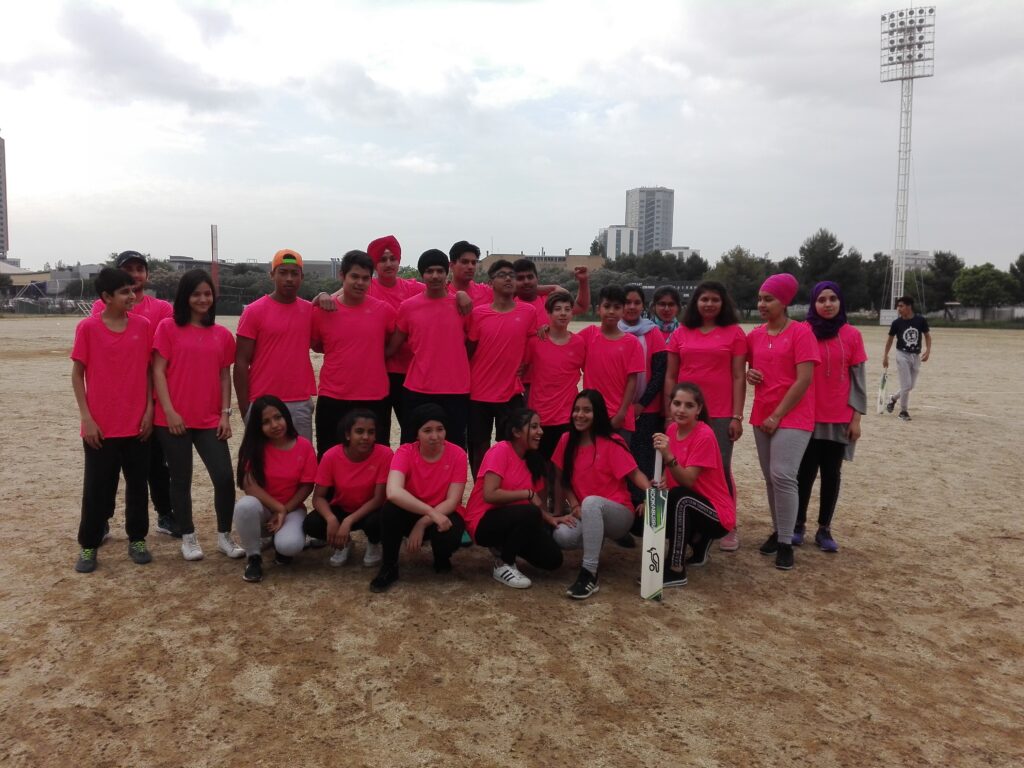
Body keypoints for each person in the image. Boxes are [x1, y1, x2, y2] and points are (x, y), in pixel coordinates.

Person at [152, 269, 243, 562]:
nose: (203, 299)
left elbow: (224, 376)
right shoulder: (167, 327)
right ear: (185, 297)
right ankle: (188, 537)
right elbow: (158, 371)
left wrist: (225, 414)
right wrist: (169, 411)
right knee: (181, 479)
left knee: (224, 477)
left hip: (209, 419)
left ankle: (224, 536)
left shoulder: (222, 335)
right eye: (196, 294)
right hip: (173, 420)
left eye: (207, 294)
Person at [72, 267, 154, 572]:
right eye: (124, 292)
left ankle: (138, 539)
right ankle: (89, 544)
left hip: (137, 426)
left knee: (138, 487)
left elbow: (149, 371)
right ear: (106, 297)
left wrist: (149, 410)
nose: (132, 296)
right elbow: (77, 375)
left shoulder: (143, 326)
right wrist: (87, 419)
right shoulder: (88, 328)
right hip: (101, 428)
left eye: (132, 290)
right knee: (97, 489)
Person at [92, 250, 176, 538]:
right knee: (109, 467)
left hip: (153, 397)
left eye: (140, 269)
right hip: (119, 400)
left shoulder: (161, 309)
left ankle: (165, 514)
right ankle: (102, 518)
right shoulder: (100, 307)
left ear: (147, 275)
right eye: (128, 269)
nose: (135, 274)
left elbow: (163, 351)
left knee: (156, 464)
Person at [664, 280, 747, 552]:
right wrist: (669, 412)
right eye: (704, 299)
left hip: (720, 412)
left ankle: (727, 524)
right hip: (685, 411)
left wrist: (737, 416)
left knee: (720, 468)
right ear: (695, 302)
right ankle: (695, 520)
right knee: (685, 467)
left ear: (723, 303)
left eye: (715, 299)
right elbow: (671, 376)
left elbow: (739, 376)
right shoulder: (680, 332)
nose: (709, 304)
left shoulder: (734, 333)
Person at [745, 273, 820, 571]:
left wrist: (778, 415)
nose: (762, 304)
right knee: (770, 477)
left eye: (769, 299)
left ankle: (787, 542)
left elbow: (804, 379)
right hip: (762, 413)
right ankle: (778, 531)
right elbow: (749, 367)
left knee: (783, 475)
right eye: (760, 299)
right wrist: (751, 374)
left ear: (785, 301)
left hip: (793, 415)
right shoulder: (755, 335)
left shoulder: (801, 333)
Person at [551, 390, 651, 599]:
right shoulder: (566, 440)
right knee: (562, 536)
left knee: (591, 503)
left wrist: (651, 494)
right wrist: (574, 505)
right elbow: (562, 480)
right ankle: (595, 541)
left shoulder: (612, 441)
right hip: (586, 512)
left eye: (587, 410)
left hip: (619, 514)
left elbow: (635, 474)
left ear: (598, 413)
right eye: (577, 410)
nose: (580, 415)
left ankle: (589, 573)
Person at [795, 282, 867, 553]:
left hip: (839, 418)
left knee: (831, 474)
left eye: (833, 298)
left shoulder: (852, 335)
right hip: (807, 417)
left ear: (840, 302)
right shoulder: (802, 331)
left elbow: (858, 381)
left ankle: (824, 528)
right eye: (821, 299)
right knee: (804, 473)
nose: (827, 304)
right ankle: (797, 525)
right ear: (813, 303)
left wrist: (856, 418)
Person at [369, 404, 468, 593]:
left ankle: (441, 557)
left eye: (440, 429)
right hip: (412, 510)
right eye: (427, 430)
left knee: (449, 535)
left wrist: (422, 523)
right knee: (390, 510)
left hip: (442, 511)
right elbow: (394, 492)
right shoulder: (405, 452)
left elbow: (452, 501)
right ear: (416, 433)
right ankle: (389, 566)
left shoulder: (458, 454)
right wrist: (429, 512)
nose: (435, 436)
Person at [463, 408, 564, 589]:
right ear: (516, 432)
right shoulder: (501, 450)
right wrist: (527, 493)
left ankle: (504, 545)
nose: (540, 432)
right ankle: (504, 563)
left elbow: (536, 506)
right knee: (530, 512)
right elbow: (490, 495)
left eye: (540, 426)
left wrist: (550, 518)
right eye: (534, 427)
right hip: (483, 521)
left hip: (517, 520)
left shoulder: (534, 460)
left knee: (553, 559)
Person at [311, 250, 396, 456]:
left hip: (374, 397)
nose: (360, 283)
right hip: (333, 397)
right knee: (329, 456)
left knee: (376, 458)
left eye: (365, 278)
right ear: (342, 276)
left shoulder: (384, 311)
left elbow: (395, 341)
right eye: (354, 276)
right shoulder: (323, 311)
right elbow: (317, 345)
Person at [652, 383, 736, 587]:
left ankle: (676, 568)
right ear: (670, 405)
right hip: (695, 504)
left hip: (718, 514)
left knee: (680, 497)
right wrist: (662, 479)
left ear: (699, 409)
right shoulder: (672, 429)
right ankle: (699, 542)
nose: (681, 410)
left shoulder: (704, 435)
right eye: (677, 403)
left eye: (689, 405)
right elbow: (671, 471)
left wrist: (668, 456)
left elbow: (688, 480)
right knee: (660, 505)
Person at [387, 249, 471, 448]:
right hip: (418, 388)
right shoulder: (408, 307)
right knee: (412, 446)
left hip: (456, 388)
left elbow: (473, 343)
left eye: (439, 271)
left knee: (455, 446)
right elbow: (392, 347)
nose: (435, 276)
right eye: (429, 271)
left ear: (447, 273)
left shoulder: (462, 306)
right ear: (422, 275)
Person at [232, 395, 317, 583]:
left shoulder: (304, 446)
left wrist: (285, 510)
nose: (275, 425)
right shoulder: (254, 447)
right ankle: (253, 557)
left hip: (292, 509)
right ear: (257, 426)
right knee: (245, 505)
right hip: (263, 511)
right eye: (266, 422)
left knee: (289, 546)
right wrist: (278, 509)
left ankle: (281, 545)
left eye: (278, 417)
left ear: (286, 416)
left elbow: (307, 485)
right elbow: (249, 485)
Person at [234, 249, 316, 443]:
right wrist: (246, 409)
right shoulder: (254, 311)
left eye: (294, 273)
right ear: (272, 275)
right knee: (262, 459)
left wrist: (323, 294)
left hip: (299, 402)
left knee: (300, 457)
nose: (289, 279)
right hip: (262, 401)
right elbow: (241, 362)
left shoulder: (310, 311)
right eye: (283, 272)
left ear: (302, 277)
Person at [466, 259, 538, 476]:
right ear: (491, 283)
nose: (508, 278)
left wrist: (525, 365)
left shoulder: (528, 312)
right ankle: (481, 489)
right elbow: (469, 350)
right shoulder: (478, 313)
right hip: (479, 393)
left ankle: (510, 485)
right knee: (478, 447)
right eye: (502, 275)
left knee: (514, 445)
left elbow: (532, 344)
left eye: (511, 275)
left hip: (511, 393)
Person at [304, 410, 391, 568]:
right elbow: (318, 497)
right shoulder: (331, 456)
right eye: (359, 431)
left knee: (380, 520)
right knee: (312, 524)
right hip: (343, 507)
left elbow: (379, 499)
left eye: (371, 432)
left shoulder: (385, 454)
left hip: (370, 510)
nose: (366, 437)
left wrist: (348, 521)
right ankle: (344, 542)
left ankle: (374, 543)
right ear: (347, 434)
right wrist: (331, 519)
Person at [366, 235, 426, 441]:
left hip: (409, 373)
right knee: (378, 431)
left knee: (411, 431)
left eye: (393, 258)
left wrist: (461, 295)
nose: (389, 264)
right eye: (382, 259)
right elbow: (340, 296)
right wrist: (322, 295)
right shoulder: (366, 287)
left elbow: (443, 294)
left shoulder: (414, 289)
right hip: (377, 371)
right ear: (374, 264)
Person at [524, 292, 586, 459]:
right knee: (539, 466)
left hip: (567, 416)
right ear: (548, 313)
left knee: (564, 466)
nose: (563, 313)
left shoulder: (579, 343)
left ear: (572, 313)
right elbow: (521, 370)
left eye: (567, 309)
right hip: (539, 416)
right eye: (558, 309)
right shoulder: (535, 342)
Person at [576, 285, 645, 436]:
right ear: (598, 309)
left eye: (617, 307)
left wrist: (621, 414)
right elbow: (564, 342)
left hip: (620, 417)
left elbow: (632, 381)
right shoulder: (588, 335)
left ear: (623, 311)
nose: (611, 311)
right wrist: (547, 329)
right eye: (607, 306)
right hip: (591, 414)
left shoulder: (632, 343)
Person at [621, 285, 667, 481]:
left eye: (637, 302)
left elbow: (659, 373)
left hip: (648, 410)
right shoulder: (612, 330)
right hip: (619, 410)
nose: (632, 307)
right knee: (622, 461)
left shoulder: (653, 332)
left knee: (648, 463)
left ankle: (649, 501)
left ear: (643, 306)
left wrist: (641, 404)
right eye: (627, 302)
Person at [883, 295, 932, 421]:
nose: (898, 309)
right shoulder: (896, 323)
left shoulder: (920, 320)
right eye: (898, 306)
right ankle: (903, 411)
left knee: (910, 386)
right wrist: (885, 356)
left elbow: (927, 336)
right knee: (906, 385)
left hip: (916, 356)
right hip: (902, 355)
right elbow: (890, 340)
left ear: (909, 306)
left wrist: (928, 351)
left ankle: (893, 398)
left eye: (901, 306)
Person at [512, 258, 590, 325]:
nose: (526, 281)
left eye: (530, 277)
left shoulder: (550, 300)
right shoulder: (507, 304)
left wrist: (583, 281)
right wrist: (553, 288)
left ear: (537, 278)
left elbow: (581, 307)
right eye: (520, 278)